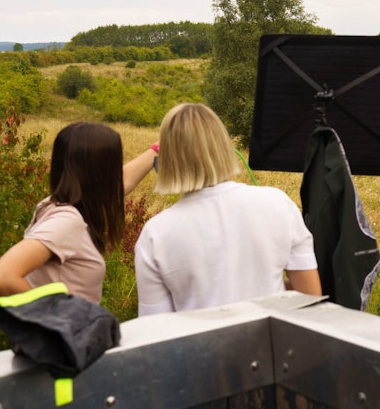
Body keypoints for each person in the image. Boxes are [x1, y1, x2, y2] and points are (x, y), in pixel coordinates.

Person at [134, 103, 321, 316]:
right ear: (223, 147)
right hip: (273, 346)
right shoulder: (277, 202)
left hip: (200, 348)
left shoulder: (155, 233)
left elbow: (157, 329)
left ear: (167, 159)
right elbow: (310, 298)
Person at [0, 122, 158, 304]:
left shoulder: (58, 204)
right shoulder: (66, 221)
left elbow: (122, 181)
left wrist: (158, 147)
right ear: (100, 171)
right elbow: (1, 278)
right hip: (68, 332)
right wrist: (62, 320)